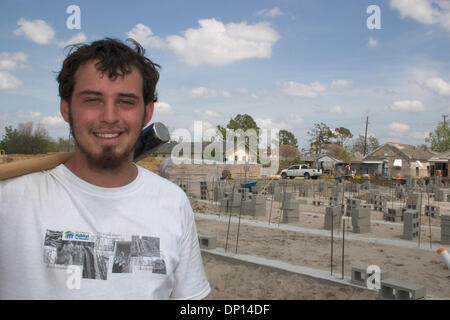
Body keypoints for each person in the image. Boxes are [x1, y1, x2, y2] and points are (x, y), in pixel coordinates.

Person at [0, 38, 211, 299]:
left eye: (125, 101)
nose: (110, 117)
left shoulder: (173, 203)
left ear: (147, 113)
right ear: (66, 108)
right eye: (92, 100)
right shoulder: (10, 199)